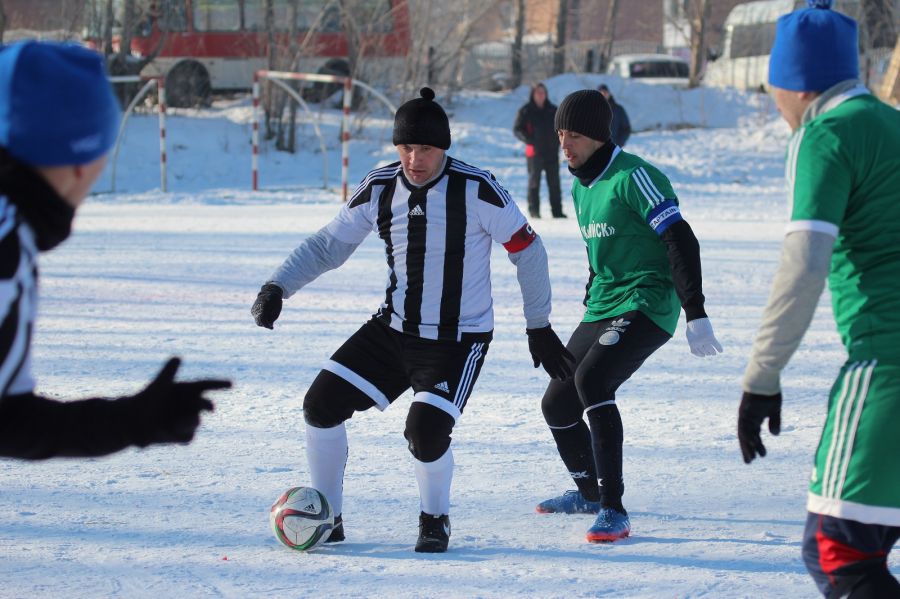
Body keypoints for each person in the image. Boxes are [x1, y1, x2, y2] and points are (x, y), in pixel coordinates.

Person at [251, 87, 573, 553]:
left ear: (444, 147)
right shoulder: (381, 185)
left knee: (424, 431)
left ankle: (435, 519)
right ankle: (330, 516)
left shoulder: (476, 188)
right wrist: (277, 286)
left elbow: (529, 251)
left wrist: (538, 325)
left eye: (425, 148)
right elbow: (329, 246)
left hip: (457, 339)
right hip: (394, 328)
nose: (414, 159)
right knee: (320, 405)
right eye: (405, 148)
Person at [737, 2, 900, 596]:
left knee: (839, 551)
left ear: (793, 83)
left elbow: (805, 264)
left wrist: (762, 375)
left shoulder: (824, 134)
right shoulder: (893, 123)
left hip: (887, 365)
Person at [0, 41, 230, 459]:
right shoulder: (6, 245)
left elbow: (7, 419)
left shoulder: (14, 231)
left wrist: (131, 420)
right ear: (82, 160)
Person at [535, 89, 722, 543]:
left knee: (593, 383)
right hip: (605, 303)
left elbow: (680, 240)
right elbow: (600, 252)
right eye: (561, 133)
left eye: (574, 135)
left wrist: (695, 312)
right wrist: (591, 292)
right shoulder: (582, 186)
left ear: (599, 136)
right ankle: (588, 494)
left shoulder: (635, 176)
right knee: (557, 403)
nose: (565, 143)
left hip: (649, 302)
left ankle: (614, 508)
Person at [513, 82, 564, 218]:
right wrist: (529, 140)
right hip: (534, 152)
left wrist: (559, 142)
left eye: (543, 92)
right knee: (534, 182)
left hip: (552, 152)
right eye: (538, 93)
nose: (541, 95)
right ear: (533, 94)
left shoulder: (553, 110)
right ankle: (534, 211)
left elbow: (562, 127)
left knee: (554, 183)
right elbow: (517, 129)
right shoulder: (526, 110)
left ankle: (557, 212)